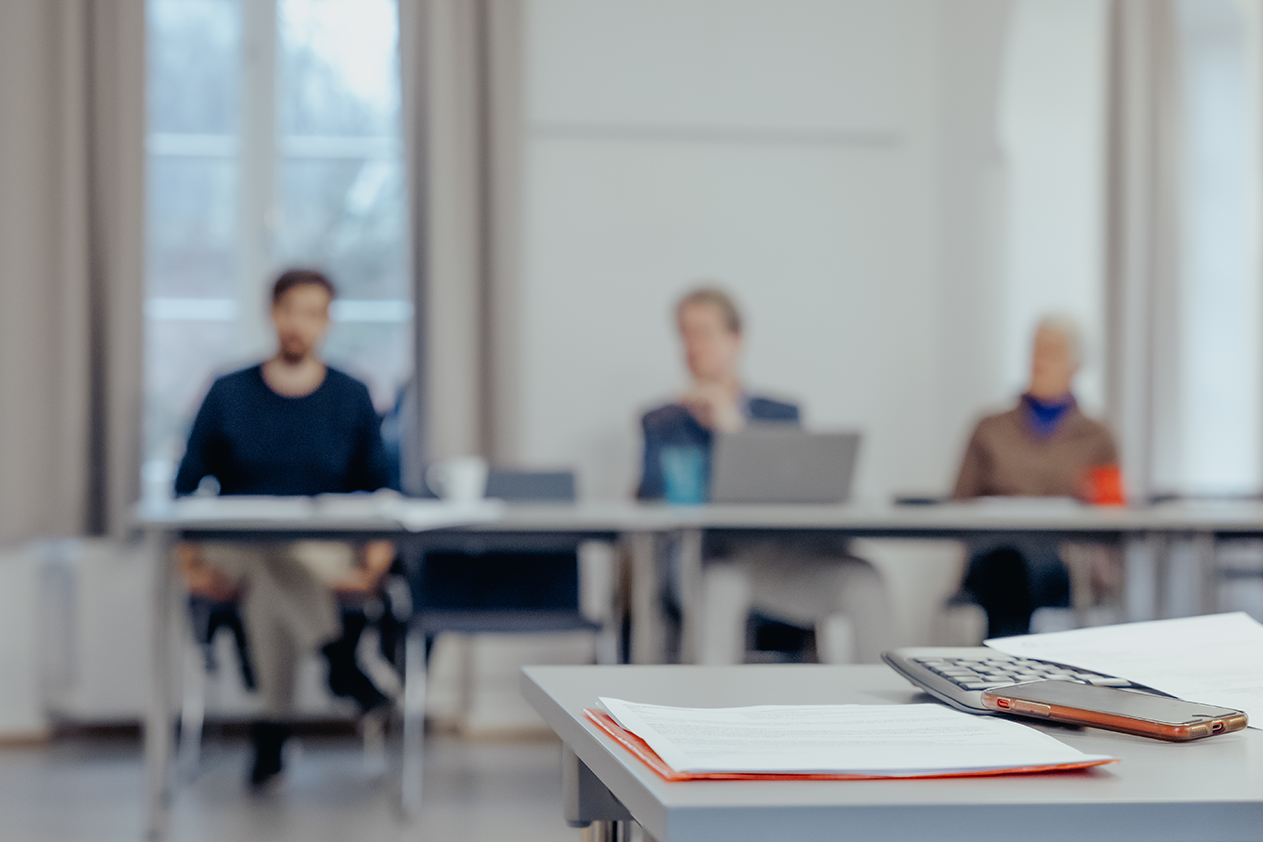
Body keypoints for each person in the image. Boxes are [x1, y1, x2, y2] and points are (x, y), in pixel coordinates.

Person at [174, 268, 395, 789]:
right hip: (234, 546)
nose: (300, 323)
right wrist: (186, 562)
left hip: (321, 549)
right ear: (273, 314)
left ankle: (272, 728)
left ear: (327, 322)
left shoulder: (352, 395)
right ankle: (338, 659)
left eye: (313, 313)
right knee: (263, 549)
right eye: (291, 309)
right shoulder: (227, 392)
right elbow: (184, 487)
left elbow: (381, 488)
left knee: (270, 578)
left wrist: (378, 557)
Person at [638, 286, 892, 664]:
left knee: (865, 581)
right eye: (685, 334)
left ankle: (892, 713)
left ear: (736, 339)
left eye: (704, 333)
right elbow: (650, 497)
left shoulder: (781, 415)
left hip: (785, 560)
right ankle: (708, 715)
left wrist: (732, 428)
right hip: (711, 560)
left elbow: (798, 490)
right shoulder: (663, 421)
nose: (693, 346)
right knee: (720, 585)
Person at [952, 315, 1120, 638]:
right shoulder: (989, 428)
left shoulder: (1098, 436)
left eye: (1053, 351)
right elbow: (958, 503)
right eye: (1036, 349)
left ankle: (1010, 667)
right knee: (1006, 564)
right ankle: (1006, 670)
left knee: (1029, 562)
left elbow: (1112, 514)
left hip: (1064, 564)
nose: (1040, 359)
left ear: (1076, 364)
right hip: (995, 558)